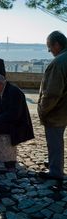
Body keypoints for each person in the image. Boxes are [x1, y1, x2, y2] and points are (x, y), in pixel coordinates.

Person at [38, 31, 67, 180]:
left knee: (55, 140)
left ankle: (55, 171)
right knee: (58, 139)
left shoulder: (58, 62)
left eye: (50, 47)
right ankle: (55, 163)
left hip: (57, 111)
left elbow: (52, 94)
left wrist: (43, 110)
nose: (49, 51)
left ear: (57, 44)